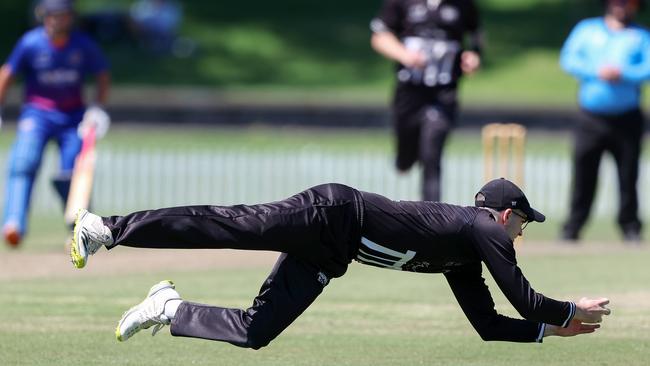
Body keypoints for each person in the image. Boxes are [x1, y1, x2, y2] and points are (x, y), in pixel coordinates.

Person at [69, 178, 610, 348]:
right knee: (230, 225)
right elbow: (524, 297)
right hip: (331, 214)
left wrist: (545, 331)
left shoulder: (464, 257)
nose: (522, 232)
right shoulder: (483, 229)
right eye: (523, 222)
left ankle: (170, 308)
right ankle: (108, 229)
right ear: (507, 214)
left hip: (331, 252)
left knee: (257, 333)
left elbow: (490, 326)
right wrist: (566, 310)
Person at [0, 0, 111, 247]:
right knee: (23, 163)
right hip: (37, 115)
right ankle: (14, 223)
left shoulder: (82, 45)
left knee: (72, 174)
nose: (56, 21)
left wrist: (96, 108)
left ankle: (79, 231)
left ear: (70, 18)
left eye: (62, 16)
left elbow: (102, 76)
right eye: (51, 16)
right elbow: (7, 73)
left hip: (73, 117)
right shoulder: (30, 42)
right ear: (43, 17)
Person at [370, 0, 482, 201]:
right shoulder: (402, 3)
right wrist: (404, 55)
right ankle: (404, 158)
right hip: (410, 91)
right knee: (406, 154)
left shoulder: (463, 4)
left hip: (444, 92)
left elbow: (476, 35)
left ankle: (431, 220)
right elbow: (379, 37)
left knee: (432, 153)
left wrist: (473, 56)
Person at [559, 0, 649, 243]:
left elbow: (647, 68)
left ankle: (630, 227)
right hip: (590, 117)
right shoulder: (587, 30)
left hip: (627, 117)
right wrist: (595, 70)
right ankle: (573, 226)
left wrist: (624, 73)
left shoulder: (641, 36)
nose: (621, 5)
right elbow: (568, 59)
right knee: (584, 174)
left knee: (628, 175)